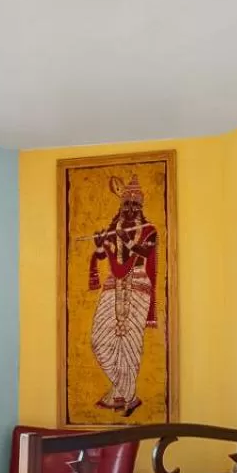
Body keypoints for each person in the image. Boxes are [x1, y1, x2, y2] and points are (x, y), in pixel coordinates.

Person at [87, 173, 158, 416]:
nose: (129, 209)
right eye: (125, 204)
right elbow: (101, 256)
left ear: (140, 207)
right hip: (112, 286)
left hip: (138, 286)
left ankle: (124, 395)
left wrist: (127, 241)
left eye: (134, 205)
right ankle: (127, 394)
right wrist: (99, 244)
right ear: (121, 206)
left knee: (131, 343)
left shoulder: (149, 230)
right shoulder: (113, 229)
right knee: (99, 340)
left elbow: (145, 253)